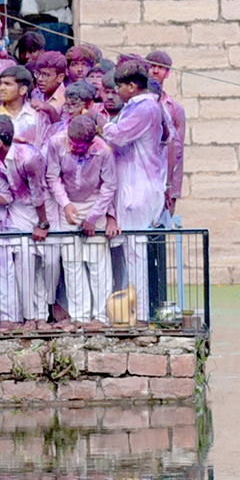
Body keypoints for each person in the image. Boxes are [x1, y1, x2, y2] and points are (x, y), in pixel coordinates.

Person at [0, 115, 53, 329]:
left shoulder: (28, 157)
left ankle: (40, 317)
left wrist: (42, 224)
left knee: (33, 266)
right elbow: (6, 196)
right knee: (23, 267)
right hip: (16, 212)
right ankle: (29, 318)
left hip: (39, 210)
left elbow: (38, 193)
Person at [100, 60, 167, 323]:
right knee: (131, 252)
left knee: (136, 252)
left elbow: (117, 135)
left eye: (120, 86)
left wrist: (99, 123)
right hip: (138, 184)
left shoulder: (145, 107)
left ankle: (141, 317)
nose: (116, 92)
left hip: (138, 187)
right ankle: (132, 313)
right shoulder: (146, 106)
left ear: (132, 86)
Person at [46, 115, 119, 328]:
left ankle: (102, 317)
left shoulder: (103, 150)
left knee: (97, 263)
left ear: (90, 142)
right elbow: (52, 177)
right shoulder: (56, 142)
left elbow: (109, 186)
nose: (74, 148)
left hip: (95, 202)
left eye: (79, 146)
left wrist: (94, 217)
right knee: (71, 262)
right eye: (72, 143)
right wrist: (66, 204)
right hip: (67, 203)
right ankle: (80, 316)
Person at [147, 50, 185, 216]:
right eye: (152, 66)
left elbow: (177, 151)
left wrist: (173, 188)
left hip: (165, 177)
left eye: (161, 68)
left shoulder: (174, 108)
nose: (156, 71)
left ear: (167, 73)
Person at [0, 66, 47, 148]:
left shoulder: (37, 115)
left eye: (8, 84)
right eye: (1, 84)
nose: (2, 88)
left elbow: (46, 146)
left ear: (22, 90)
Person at [30, 50, 67, 123]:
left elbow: (64, 129)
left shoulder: (67, 99)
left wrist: (51, 111)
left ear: (60, 77)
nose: (40, 79)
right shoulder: (35, 93)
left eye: (46, 75)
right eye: (38, 73)